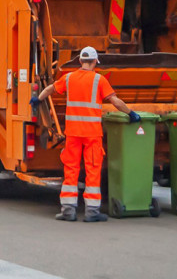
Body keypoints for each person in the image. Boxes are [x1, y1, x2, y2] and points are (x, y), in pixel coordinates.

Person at [34, 46, 140, 222]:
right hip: (91, 135)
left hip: (73, 134)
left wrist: (37, 100)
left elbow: (50, 89)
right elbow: (115, 101)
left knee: (71, 170)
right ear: (95, 62)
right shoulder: (99, 80)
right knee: (92, 170)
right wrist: (130, 113)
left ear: (81, 61)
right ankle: (92, 211)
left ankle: (68, 210)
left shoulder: (68, 78)